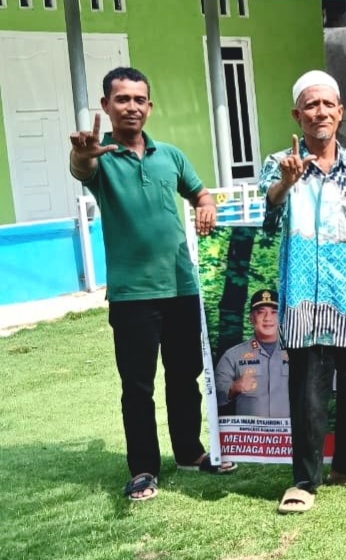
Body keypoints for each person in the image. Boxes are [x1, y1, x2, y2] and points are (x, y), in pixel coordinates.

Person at [68, 67, 236, 503]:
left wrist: (206, 206)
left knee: (185, 377)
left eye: (139, 99)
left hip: (182, 288)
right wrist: (83, 154)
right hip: (133, 296)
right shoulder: (102, 159)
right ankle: (143, 469)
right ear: (106, 105)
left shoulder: (170, 156)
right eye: (122, 99)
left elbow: (200, 193)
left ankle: (190, 452)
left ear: (149, 106)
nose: (132, 107)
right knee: (138, 387)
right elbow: (81, 167)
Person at [259, 69, 346, 514]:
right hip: (303, 298)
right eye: (310, 105)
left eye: (327, 104)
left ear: (340, 112)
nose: (319, 112)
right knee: (307, 393)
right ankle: (304, 481)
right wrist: (287, 182)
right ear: (296, 115)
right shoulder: (279, 165)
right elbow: (268, 220)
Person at [215, 289, 289, 418]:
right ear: (251, 318)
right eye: (261, 312)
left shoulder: (297, 354)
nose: (268, 318)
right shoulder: (233, 356)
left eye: (274, 312)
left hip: (289, 430)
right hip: (248, 430)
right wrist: (233, 388)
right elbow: (214, 396)